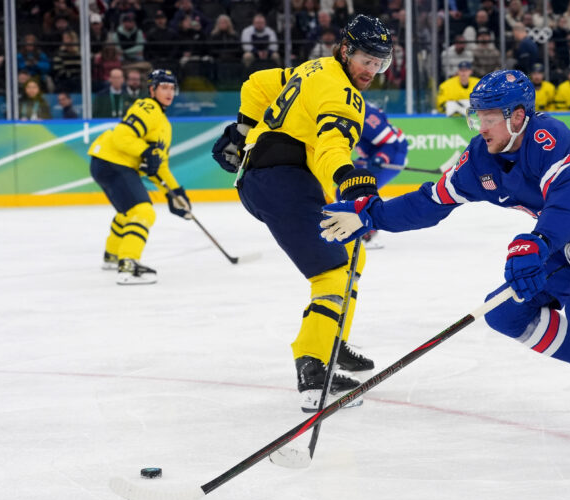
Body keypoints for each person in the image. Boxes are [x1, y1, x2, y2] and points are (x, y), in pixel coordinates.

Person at [319, 69, 570, 458]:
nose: (481, 127)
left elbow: (566, 204)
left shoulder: (550, 139)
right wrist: (371, 215)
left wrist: (538, 242)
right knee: (504, 312)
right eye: (477, 117)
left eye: (489, 117)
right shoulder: (480, 159)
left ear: (518, 116)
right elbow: (430, 202)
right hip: (567, 239)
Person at [210, 15, 392, 412]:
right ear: (345, 50)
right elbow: (331, 146)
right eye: (366, 59)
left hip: (267, 179)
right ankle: (314, 372)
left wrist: (242, 131)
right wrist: (348, 178)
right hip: (283, 181)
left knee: (352, 251)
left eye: (380, 63)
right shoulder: (343, 93)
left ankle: (332, 340)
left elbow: (257, 83)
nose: (371, 70)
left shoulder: (315, 67)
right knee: (332, 274)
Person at [87, 69, 192, 285]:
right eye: (164, 87)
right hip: (113, 162)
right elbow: (121, 136)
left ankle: (112, 255)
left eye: (172, 88)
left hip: (105, 162)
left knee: (128, 212)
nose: (169, 92)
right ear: (152, 90)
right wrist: (145, 151)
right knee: (143, 211)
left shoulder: (164, 125)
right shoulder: (148, 107)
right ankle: (128, 265)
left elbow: (159, 166)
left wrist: (175, 193)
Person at [349, 101, 409, 247]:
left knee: (361, 188)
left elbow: (391, 144)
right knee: (344, 187)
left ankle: (370, 234)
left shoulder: (365, 114)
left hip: (393, 155)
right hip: (371, 155)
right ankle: (353, 229)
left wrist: (381, 158)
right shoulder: (341, 111)